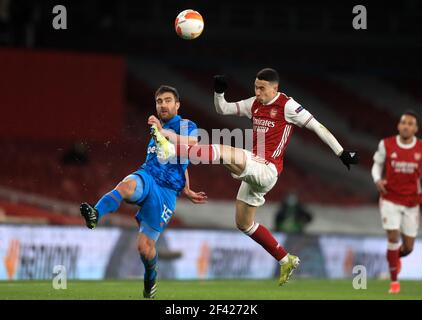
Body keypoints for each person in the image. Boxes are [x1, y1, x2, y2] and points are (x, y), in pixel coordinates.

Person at [151, 68, 359, 286]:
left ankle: (173, 147)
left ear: (275, 88)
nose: (258, 92)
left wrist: (341, 152)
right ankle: (285, 259)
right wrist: (219, 92)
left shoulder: (288, 106)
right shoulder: (255, 103)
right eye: (255, 87)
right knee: (244, 223)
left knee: (222, 150)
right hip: (254, 169)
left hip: (267, 169)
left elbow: (318, 127)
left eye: (262, 88)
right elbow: (222, 109)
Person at [79, 85, 207, 299]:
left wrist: (185, 188)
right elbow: (176, 160)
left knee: (144, 248)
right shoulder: (156, 128)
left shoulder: (185, 125)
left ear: (177, 105)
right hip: (147, 176)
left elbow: (192, 144)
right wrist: (187, 186)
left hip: (165, 192)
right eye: (159, 101)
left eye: (167, 100)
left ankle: (151, 276)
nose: (163, 105)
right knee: (125, 186)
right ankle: (95, 215)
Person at [371, 110, 422, 294]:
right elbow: (377, 164)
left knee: (408, 248)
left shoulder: (420, 148)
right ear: (399, 125)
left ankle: (395, 259)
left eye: (410, 123)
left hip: (412, 202)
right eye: (403, 123)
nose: (406, 126)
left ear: (415, 128)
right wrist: (377, 180)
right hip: (390, 199)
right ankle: (394, 282)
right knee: (393, 238)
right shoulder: (387, 144)